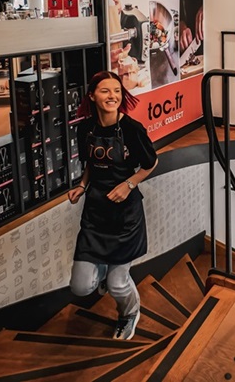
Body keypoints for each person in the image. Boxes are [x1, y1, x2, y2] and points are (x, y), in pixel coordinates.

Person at [68, 70, 158, 340]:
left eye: (117, 91)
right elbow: (90, 165)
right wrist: (82, 186)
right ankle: (105, 273)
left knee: (118, 285)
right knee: (81, 286)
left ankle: (129, 313)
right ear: (92, 96)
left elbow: (151, 163)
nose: (113, 96)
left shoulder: (131, 129)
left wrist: (128, 184)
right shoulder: (84, 128)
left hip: (125, 217)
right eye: (106, 91)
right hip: (95, 215)